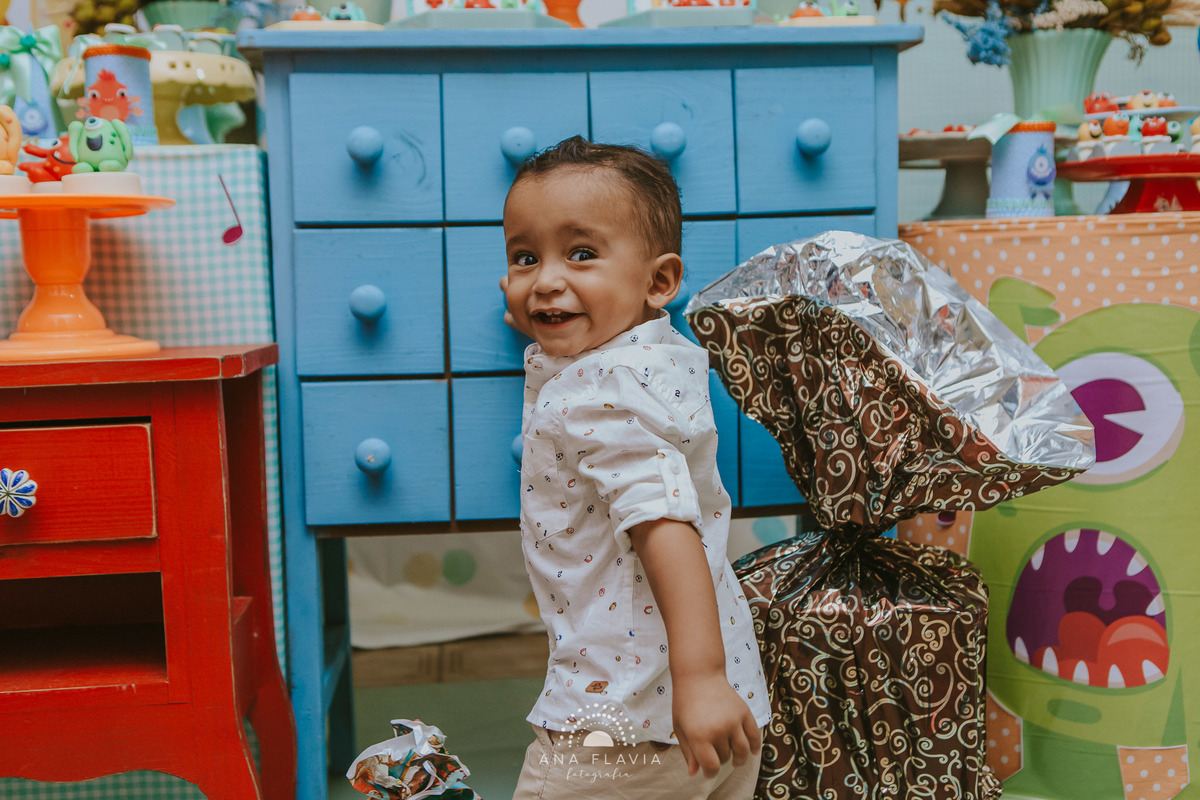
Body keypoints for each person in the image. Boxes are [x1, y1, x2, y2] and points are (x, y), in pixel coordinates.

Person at [502, 135, 770, 799]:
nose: (547, 280)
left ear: (659, 282)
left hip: (624, 717)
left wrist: (698, 679)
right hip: (724, 703)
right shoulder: (656, 357)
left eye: (581, 253)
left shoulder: (596, 394)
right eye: (525, 257)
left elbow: (663, 522)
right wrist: (711, 681)